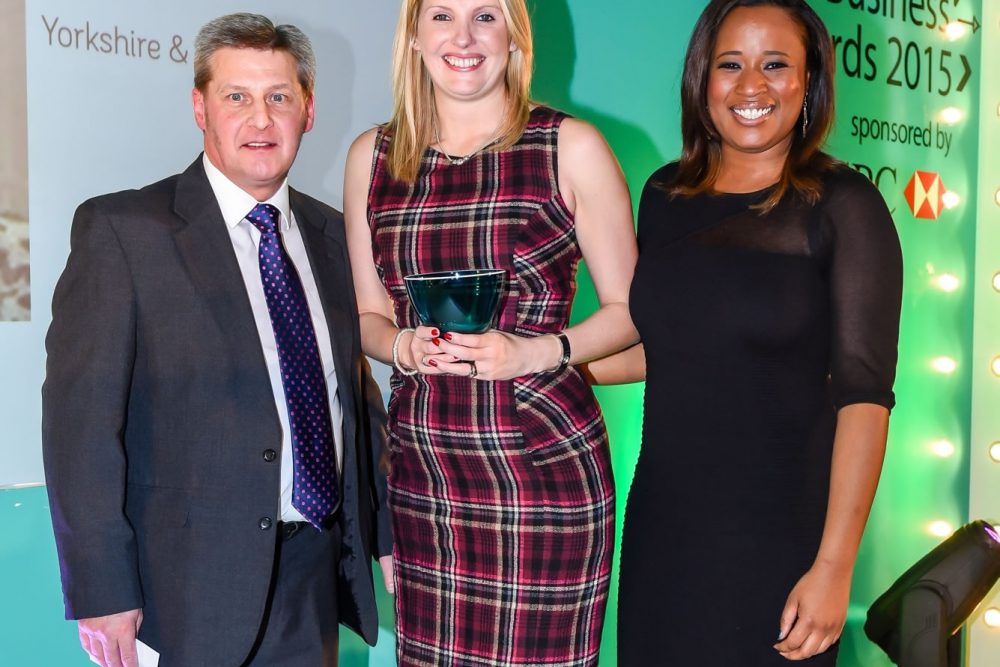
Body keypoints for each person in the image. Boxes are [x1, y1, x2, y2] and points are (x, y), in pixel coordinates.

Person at [42, 13, 392, 667]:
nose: (261, 119)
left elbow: (352, 399)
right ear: (200, 108)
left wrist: (387, 537)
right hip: (182, 593)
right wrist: (101, 589)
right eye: (237, 96)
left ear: (308, 111)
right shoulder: (124, 231)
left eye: (279, 96)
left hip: (312, 580)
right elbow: (80, 428)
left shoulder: (335, 238)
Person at [589, 0, 903, 664]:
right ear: (702, 78)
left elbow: (865, 400)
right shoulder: (664, 194)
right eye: (730, 64)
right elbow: (670, 348)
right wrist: (543, 359)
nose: (751, 85)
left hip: (779, 544)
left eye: (776, 65)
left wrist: (834, 567)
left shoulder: (844, 206)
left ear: (809, 81)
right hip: (663, 535)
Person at [342, 0, 638, 664]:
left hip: (543, 471)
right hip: (426, 473)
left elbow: (631, 309)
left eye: (485, 16)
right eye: (441, 16)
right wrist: (402, 346)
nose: (464, 36)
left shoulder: (569, 145)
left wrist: (538, 351)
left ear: (514, 37)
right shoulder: (374, 157)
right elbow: (367, 316)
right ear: (414, 38)